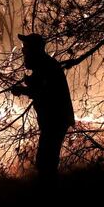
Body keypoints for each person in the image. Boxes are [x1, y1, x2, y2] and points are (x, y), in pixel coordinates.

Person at [11, 33, 75, 180]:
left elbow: (44, 93)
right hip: (54, 120)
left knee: (46, 161)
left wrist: (22, 90)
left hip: (56, 120)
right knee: (46, 160)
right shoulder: (43, 65)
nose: (23, 50)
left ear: (34, 49)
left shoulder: (46, 66)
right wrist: (28, 85)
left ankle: (47, 192)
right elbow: (40, 87)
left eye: (26, 47)